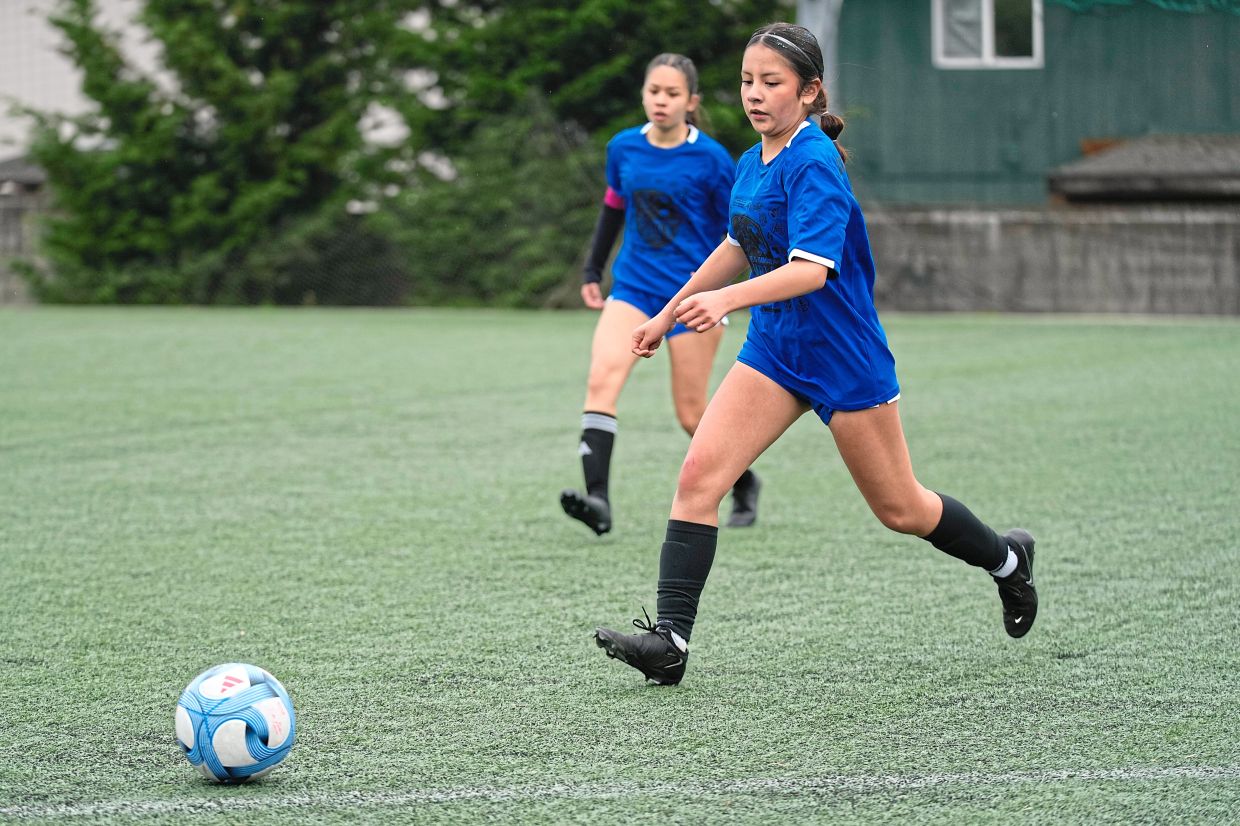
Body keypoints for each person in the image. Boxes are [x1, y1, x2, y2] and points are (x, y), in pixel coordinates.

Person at [593, 23, 1038, 685]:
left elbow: (811, 269)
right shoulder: (751, 162)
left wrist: (725, 303)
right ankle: (671, 643)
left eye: (771, 82)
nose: (755, 93)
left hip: (842, 358)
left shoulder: (814, 163)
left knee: (901, 510)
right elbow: (735, 245)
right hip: (775, 351)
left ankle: (1007, 560)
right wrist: (665, 313)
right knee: (698, 480)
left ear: (809, 92)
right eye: (747, 80)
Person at [561, 53, 761, 537]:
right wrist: (593, 268)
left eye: (672, 94)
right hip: (633, 287)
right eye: (654, 92)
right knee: (601, 380)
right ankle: (599, 502)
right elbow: (612, 210)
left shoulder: (713, 159)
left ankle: (745, 482)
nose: (661, 101)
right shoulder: (623, 148)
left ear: (690, 102)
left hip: (694, 294)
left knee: (692, 414)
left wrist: (736, 291)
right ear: (644, 95)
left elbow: (735, 234)